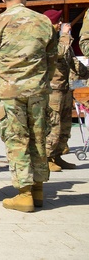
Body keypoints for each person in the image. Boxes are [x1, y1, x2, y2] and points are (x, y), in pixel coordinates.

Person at [0, 0, 58, 212]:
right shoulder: (43, 21)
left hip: (9, 91)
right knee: (38, 138)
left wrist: (0, 83)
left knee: (17, 139)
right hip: (37, 90)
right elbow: (51, 58)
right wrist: (41, 80)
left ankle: (24, 194)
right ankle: (38, 190)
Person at [42, 10, 88, 172]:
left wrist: (85, 72)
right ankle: (47, 158)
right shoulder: (46, 39)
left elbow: (72, 59)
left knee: (64, 125)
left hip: (65, 89)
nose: (61, 23)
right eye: (58, 21)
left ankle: (58, 155)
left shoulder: (62, 40)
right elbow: (60, 53)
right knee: (53, 125)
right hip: (52, 90)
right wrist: (65, 35)